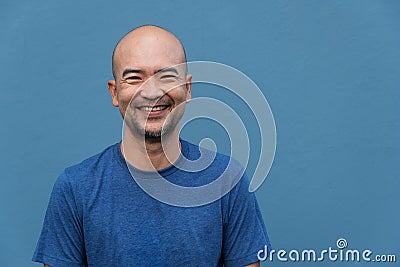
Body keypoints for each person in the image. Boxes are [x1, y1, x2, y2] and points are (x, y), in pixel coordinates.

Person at [32, 25, 271, 267]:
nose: (152, 92)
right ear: (115, 92)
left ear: (187, 89)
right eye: (135, 78)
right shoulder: (75, 188)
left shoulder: (226, 180)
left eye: (166, 76)